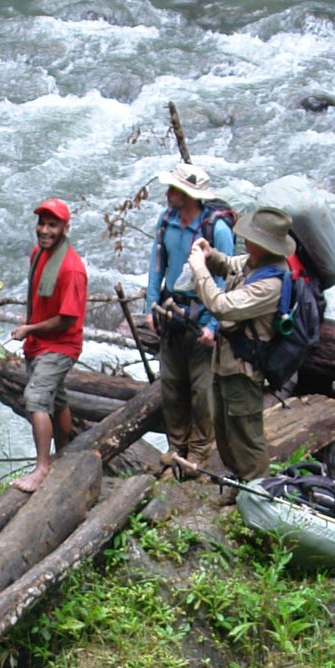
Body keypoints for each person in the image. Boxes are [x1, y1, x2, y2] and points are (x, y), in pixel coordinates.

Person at [181, 207, 300, 485]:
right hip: (225, 360)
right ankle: (240, 480)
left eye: (251, 238)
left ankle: (257, 488)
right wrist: (211, 256)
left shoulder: (271, 282)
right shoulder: (255, 261)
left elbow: (222, 307)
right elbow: (231, 265)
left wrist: (199, 270)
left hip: (244, 367)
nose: (245, 241)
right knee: (224, 429)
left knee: (246, 433)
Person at [146, 164, 234, 471]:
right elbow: (157, 264)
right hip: (171, 313)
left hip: (201, 316)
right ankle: (176, 447)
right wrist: (150, 304)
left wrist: (213, 325)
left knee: (201, 391)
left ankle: (199, 451)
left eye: (173, 189)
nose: (168, 193)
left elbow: (224, 281)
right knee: (171, 385)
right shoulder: (166, 221)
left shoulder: (216, 230)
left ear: (188, 195)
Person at [16, 198, 87, 492]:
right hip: (39, 342)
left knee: (35, 398)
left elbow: (67, 320)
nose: (44, 230)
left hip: (61, 345)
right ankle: (64, 453)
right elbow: (38, 299)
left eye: (52, 225)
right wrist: (29, 322)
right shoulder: (39, 253)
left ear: (65, 228)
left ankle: (42, 468)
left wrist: (30, 328)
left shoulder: (71, 270)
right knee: (56, 398)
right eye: (41, 223)